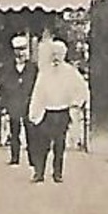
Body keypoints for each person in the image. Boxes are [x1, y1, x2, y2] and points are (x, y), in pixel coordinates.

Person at [27, 40, 88, 184]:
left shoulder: (70, 72)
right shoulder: (45, 72)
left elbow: (82, 89)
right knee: (42, 145)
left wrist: (76, 103)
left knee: (59, 145)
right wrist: (34, 112)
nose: (55, 57)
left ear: (64, 55)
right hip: (47, 112)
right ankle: (39, 172)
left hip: (62, 112)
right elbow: (38, 92)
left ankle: (57, 173)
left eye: (59, 54)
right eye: (53, 54)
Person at [0, 35, 38, 167]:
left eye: (22, 49)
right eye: (17, 49)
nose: (20, 53)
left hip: (28, 103)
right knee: (14, 131)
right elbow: (4, 85)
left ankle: (33, 159)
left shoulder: (33, 68)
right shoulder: (8, 67)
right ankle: (15, 158)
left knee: (30, 132)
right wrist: (4, 103)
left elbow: (37, 85)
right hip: (13, 102)